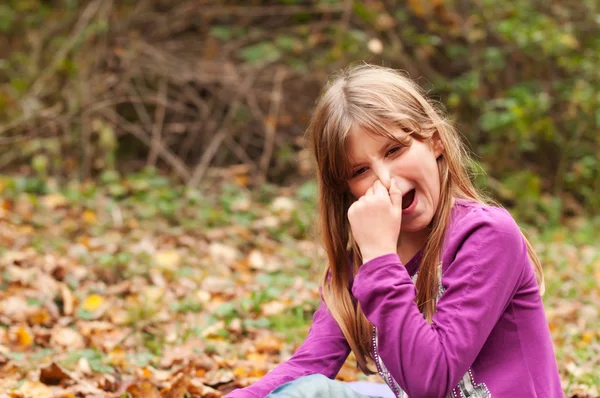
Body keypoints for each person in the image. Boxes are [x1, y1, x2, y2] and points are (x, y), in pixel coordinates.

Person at [225, 64, 562, 397]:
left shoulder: (486, 235)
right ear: (347, 191)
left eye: (395, 150)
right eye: (360, 170)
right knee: (306, 391)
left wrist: (380, 259)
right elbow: (307, 367)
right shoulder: (360, 264)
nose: (385, 180)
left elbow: (432, 380)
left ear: (434, 141)